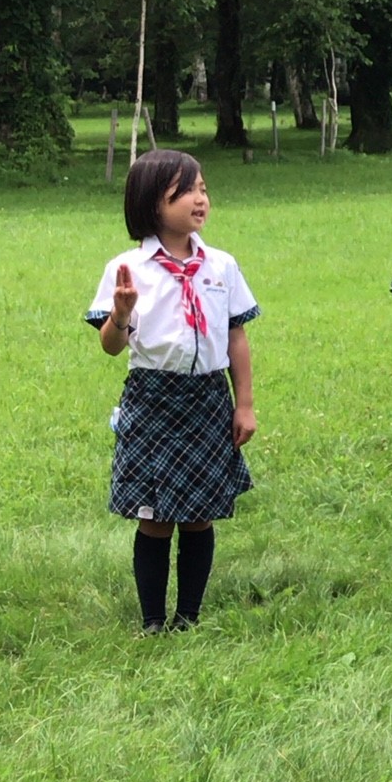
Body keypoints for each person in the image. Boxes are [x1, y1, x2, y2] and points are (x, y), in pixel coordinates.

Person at [86, 150, 259, 634]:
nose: (200, 199)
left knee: (200, 514)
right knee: (154, 516)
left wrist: (244, 404)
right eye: (184, 192)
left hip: (208, 398)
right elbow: (111, 346)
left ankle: (189, 617)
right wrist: (121, 313)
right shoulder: (127, 268)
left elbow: (236, 336)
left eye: (203, 189)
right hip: (153, 398)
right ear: (151, 204)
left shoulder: (221, 265)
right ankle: (152, 620)